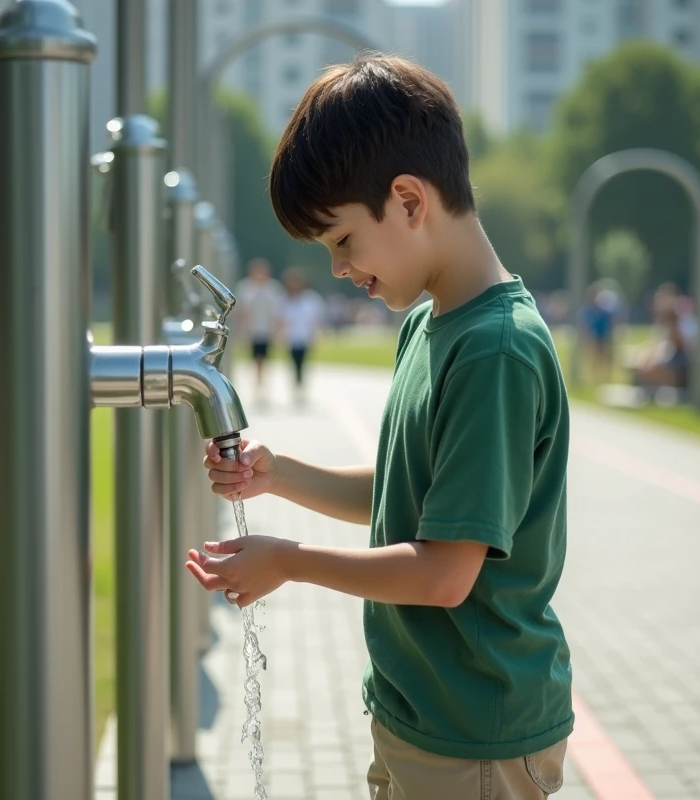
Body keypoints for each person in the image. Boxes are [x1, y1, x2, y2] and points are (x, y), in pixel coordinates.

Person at [187, 55, 570, 799]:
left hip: (476, 734)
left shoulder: (495, 350)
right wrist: (280, 474)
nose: (337, 269)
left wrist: (290, 561)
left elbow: (442, 573)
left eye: (341, 241)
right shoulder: (430, 321)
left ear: (407, 200)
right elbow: (414, 496)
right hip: (419, 713)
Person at [235, 258, 287, 397]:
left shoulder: (273, 289)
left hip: (267, 331)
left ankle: (262, 384)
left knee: (264, 359)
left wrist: (278, 332)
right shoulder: (245, 288)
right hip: (253, 330)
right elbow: (243, 312)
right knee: (255, 359)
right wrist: (242, 331)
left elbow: (277, 312)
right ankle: (257, 384)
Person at [278, 266, 325, 405]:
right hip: (291, 338)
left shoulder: (310, 299)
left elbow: (316, 320)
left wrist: (317, 335)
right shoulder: (285, 300)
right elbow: (280, 320)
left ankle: (301, 387)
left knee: (303, 363)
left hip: (305, 338)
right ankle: (296, 386)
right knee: (293, 363)